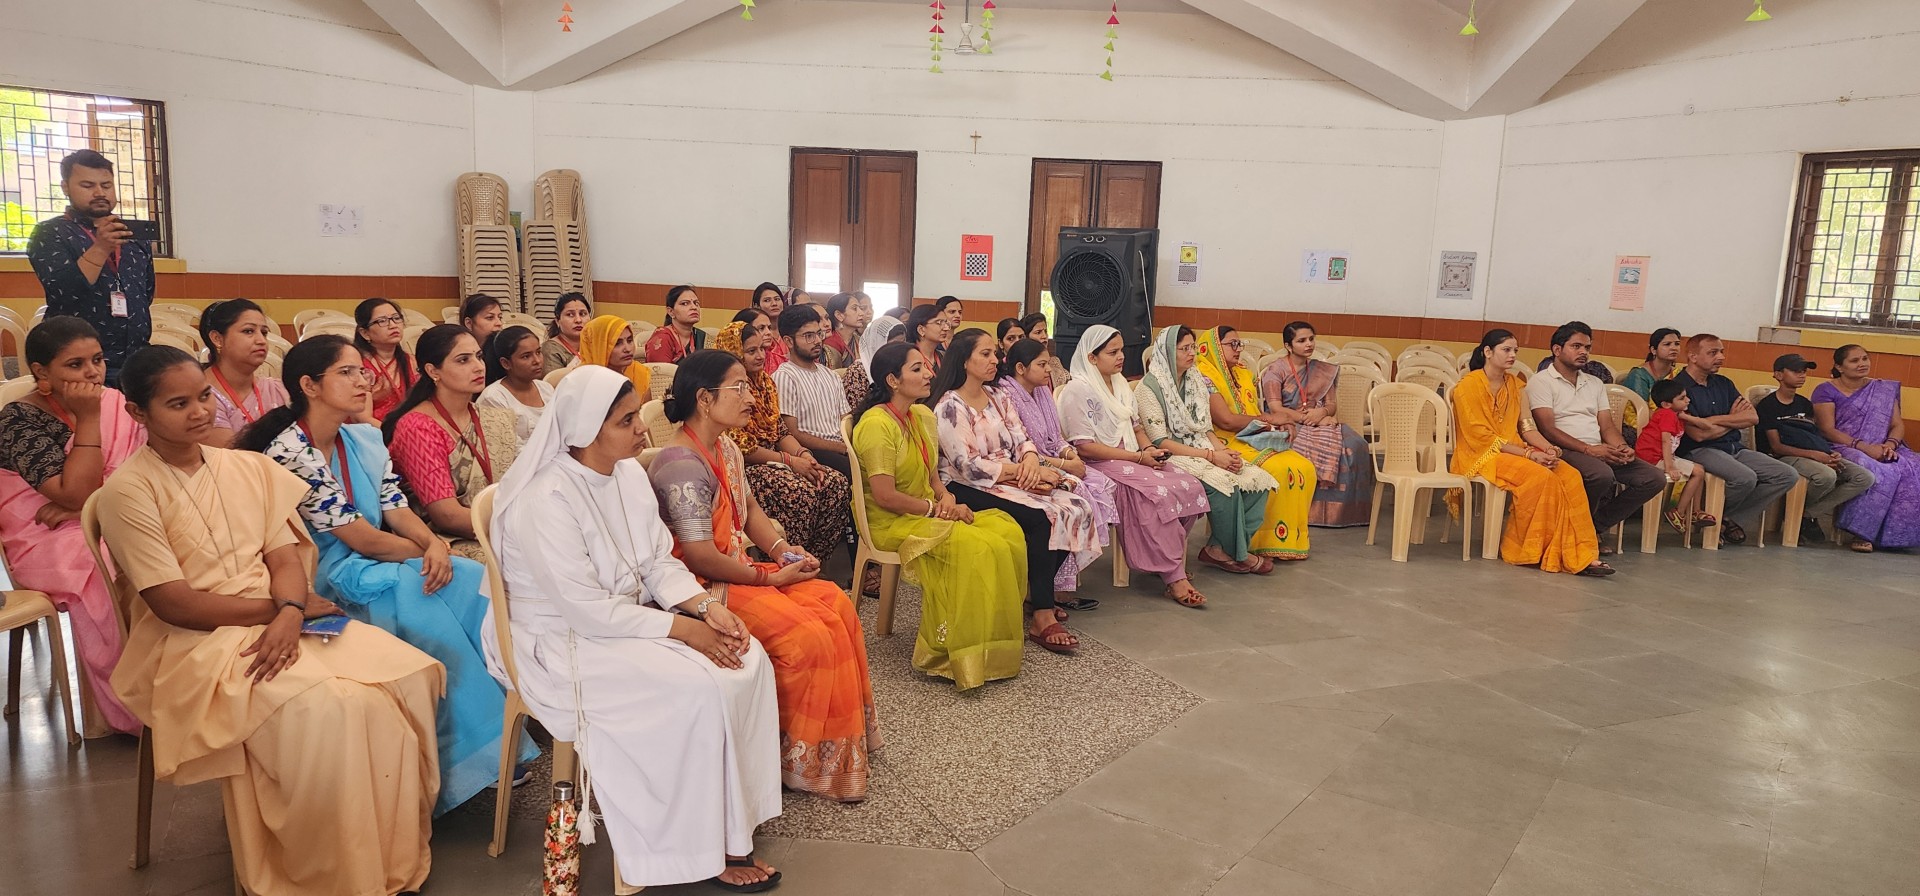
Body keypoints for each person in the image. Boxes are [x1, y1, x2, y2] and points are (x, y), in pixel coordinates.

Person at [98, 346, 442, 896]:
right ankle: (324, 872)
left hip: (280, 611)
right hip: (195, 642)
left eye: (204, 397)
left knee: (408, 676)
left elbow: (283, 557)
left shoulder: (247, 467)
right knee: (337, 708)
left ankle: (386, 856)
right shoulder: (127, 492)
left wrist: (288, 609)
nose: (199, 412)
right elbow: (174, 604)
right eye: (178, 404)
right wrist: (283, 612)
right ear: (138, 412)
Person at [487, 365, 785, 890]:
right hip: (562, 641)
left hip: (627, 619)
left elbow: (656, 561)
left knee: (747, 659)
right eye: (626, 421)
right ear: (587, 431)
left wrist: (703, 608)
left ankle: (731, 824)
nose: (643, 428)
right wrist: (683, 631)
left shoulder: (626, 474)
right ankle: (688, 849)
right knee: (696, 689)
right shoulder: (545, 499)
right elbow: (584, 609)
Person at [235, 335, 537, 815]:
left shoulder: (363, 439)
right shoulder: (289, 450)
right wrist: (425, 552)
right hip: (323, 573)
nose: (363, 381)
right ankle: (458, 757)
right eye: (346, 373)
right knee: (421, 597)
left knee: (467, 578)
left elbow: (395, 509)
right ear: (309, 386)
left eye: (362, 370)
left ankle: (501, 733)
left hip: (376, 557)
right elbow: (360, 538)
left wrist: (433, 544)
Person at [650, 352, 879, 802]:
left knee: (834, 603)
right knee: (807, 634)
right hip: (700, 589)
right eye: (738, 387)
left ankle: (833, 748)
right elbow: (698, 555)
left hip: (739, 570)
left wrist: (782, 552)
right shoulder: (681, 465)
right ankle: (795, 757)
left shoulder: (726, 448)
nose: (751, 397)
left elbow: (749, 508)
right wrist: (767, 578)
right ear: (704, 398)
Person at [852, 343, 1028, 687]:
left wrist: (947, 499)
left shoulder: (920, 415)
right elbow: (885, 496)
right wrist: (936, 509)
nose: (929, 374)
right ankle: (949, 651)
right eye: (916, 369)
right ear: (892, 380)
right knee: (975, 546)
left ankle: (987, 648)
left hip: (925, 509)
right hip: (889, 520)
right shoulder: (876, 425)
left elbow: (934, 479)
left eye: (925, 366)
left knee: (1005, 533)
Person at [0, 316, 143, 734]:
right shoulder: (18, 420)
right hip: (43, 538)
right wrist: (89, 417)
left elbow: (141, 472)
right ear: (41, 373)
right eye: (75, 365)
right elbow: (76, 493)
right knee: (105, 560)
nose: (92, 373)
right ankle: (130, 704)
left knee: (162, 543)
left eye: (97, 360)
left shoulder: (116, 402)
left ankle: (176, 681)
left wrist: (89, 507)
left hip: (106, 516)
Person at [933, 329, 1102, 653]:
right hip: (967, 485)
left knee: (1077, 505)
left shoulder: (998, 396)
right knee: (1042, 517)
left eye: (994, 354)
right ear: (964, 360)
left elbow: (1022, 438)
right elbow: (967, 466)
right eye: (985, 354)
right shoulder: (950, 405)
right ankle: (1041, 614)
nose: (995, 360)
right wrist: (1021, 471)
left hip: (1010, 475)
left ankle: (1036, 590)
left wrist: (1030, 460)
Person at [1053, 327, 1210, 607]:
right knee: (1156, 495)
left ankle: (1167, 558)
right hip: (1100, 463)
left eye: (1121, 350)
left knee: (1188, 484)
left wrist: (1149, 450)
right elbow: (1085, 447)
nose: (1121, 357)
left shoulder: (1121, 385)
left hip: (1133, 457)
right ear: (1091, 357)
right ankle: (1174, 577)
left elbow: (1136, 428)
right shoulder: (1078, 390)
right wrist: (1137, 458)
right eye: (1112, 352)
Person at [1450, 329, 1610, 576]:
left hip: (1514, 450)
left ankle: (1581, 552)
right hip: (1481, 455)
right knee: (1542, 477)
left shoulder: (1517, 386)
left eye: (1515, 350)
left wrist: (1547, 448)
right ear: (1487, 352)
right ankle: (1529, 550)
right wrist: (1528, 455)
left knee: (1570, 475)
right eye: (1506, 350)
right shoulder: (1467, 386)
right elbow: (1481, 437)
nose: (1512, 355)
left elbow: (1527, 427)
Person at [1135, 326, 1278, 574]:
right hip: (1172, 454)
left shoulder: (1195, 379)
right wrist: (1212, 457)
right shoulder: (1148, 387)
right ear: (1168, 351)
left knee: (1258, 482)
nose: (1192, 353)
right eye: (1184, 348)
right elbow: (1160, 442)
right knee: (1224, 487)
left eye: (1193, 347)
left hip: (1202, 447)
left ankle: (1218, 549)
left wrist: (1224, 452)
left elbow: (1206, 428)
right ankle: (1239, 554)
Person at [713, 322, 852, 562]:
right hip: (746, 467)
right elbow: (743, 449)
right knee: (800, 493)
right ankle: (786, 561)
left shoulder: (766, 384)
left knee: (835, 483)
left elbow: (781, 432)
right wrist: (790, 461)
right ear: (732, 353)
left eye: (762, 349)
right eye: (751, 351)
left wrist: (804, 455)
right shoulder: (726, 391)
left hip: (777, 460)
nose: (760, 356)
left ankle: (813, 560)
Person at [384, 325, 522, 561]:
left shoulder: (493, 418)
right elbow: (446, 516)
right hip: (444, 539)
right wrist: (519, 528)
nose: (479, 366)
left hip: (500, 523)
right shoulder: (418, 427)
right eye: (463, 360)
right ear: (433, 371)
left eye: (478, 356)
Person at [996, 337, 1122, 595]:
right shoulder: (1006, 395)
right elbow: (1020, 451)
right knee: (1079, 493)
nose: (1048, 370)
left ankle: (1060, 579)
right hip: (1028, 466)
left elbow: (1056, 437)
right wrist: (1066, 465)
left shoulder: (1042, 391)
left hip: (1053, 459)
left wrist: (1070, 456)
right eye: (1041, 365)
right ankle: (1052, 585)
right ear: (1020, 368)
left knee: (1101, 483)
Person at [1526, 322, 1665, 544]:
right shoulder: (1541, 381)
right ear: (1557, 349)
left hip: (1597, 448)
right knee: (1601, 475)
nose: (1583, 352)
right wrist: (1589, 450)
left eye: (1587, 347)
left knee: (1653, 478)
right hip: (1562, 449)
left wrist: (1621, 447)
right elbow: (1548, 429)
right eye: (1576, 346)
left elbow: (1607, 426)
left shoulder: (1595, 383)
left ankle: (1592, 526)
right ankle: (1580, 533)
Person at [26, 150, 154, 385]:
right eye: (87, 185)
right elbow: (64, 292)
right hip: (79, 364)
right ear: (65, 187)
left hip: (136, 360)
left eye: (106, 185)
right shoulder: (50, 233)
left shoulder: (132, 236)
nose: (99, 193)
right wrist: (101, 247)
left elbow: (146, 293)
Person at [1194, 326, 1317, 563]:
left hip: (1251, 435)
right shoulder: (1204, 376)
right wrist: (1269, 419)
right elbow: (1225, 420)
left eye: (1239, 344)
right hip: (1223, 440)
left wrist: (1276, 423)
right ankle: (1257, 543)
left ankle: (1287, 542)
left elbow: (1253, 411)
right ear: (1214, 347)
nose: (1238, 349)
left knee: (1304, 467)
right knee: (1278, 469)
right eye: (1232, 344)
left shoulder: (1242, 373)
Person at [1676, 334, 1796, 546]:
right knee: (1745, 478)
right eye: (1713, 353)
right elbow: (1698, 435)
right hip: (1699, 450)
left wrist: (1712, 421)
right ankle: (1715, 523)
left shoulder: (1724, 383)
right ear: (1693, 357)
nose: (1721, 357)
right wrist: (1733, 419)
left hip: (1734, 447)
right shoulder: (1678, 388)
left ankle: (1726, 519)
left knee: (1786, 475)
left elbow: (1752, 418)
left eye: (1722, 352)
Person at [1259, 320, 1374, 528]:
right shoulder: (1275, 370)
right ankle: (1307, 513)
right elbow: (1275, 408)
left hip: (1318, 420)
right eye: (1302, 340)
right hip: (1286, 422)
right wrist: (1306, 418)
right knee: (1306, 445)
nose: (1309, 344)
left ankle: (1346, 514)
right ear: (1288, 345)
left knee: (1355, 445)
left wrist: (1321, 413)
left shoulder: (1323, 371)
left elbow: (1331, 405)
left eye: (1311, 339)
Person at [1757, 353, 1874, 547]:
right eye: (1796, 371)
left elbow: (1813, 435)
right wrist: (1815, 455)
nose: (1802, 375)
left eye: (1804, 371)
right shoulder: (1768, 406)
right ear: (1778, 375)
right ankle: (1798, 516)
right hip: (1783, 457)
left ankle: (1805, 514)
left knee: (1864, 478)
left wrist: (1829, 454)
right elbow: (1776, 447)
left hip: (1816, 455)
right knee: (1826, 476)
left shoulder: (1804, 403)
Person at [1813, 344, 1918, 551]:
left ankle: (1897, 535)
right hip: (1842, 445)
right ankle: (1861, 533)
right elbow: (1827, 429)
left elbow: (1897, 425)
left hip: (1882, 445)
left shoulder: (1883, 390)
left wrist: (1889, 445)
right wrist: (1864, 447)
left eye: (1864, 359)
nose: (1862, 364)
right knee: (1872, 468)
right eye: (1854, 360)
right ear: (1839, 367)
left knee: (1913, 466)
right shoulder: (1825, 390)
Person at [771, 305, 855, 480]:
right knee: (851, 469)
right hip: (810, 451)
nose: (817, 341)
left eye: (818, 334)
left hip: (841, 448)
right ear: (789, 341)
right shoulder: (785, 377)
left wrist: (850, 445)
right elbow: (791, 433)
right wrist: (840, 448)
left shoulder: (831, 375)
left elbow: (846, 421)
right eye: (809, 336)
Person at [199, 298, 289, 448]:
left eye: (264, 333)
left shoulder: (278, 390)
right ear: (217, 339)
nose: (261, 340)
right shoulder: (201, 397)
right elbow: (229, 457)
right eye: (248, 331)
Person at [1635, 379, 1715, 535]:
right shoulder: (1667, 415)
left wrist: (1686, 417)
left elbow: (1707, 426)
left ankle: (1696, 511)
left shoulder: (1675, 414)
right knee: (1698, 472)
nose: (1688, 400)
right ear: (1666, 404)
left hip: (1662, 456)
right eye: (1682, 398)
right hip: (1652, 458)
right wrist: (1669, 467)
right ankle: (1679, 512)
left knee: (1699, 469)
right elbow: (1665, 441)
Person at [479, 325, 556, 441]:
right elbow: (508, 446)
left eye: (538, 352)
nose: (537, 361)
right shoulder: (494, 398)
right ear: (506, 363)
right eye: (526, 356)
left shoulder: (546, 389)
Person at [354, 298, 416, 422]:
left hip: (406, 428)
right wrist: (394, 432)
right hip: (372, 431)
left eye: (396, 318)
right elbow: (362, 418)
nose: (393, 325)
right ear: (365, 333)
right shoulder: (358, 365)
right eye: (382, 321)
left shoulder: (412, 361)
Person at [578, 315, 652, 406]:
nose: (628, 349)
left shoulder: (639, 373)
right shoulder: (581, 381)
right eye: (617, 343)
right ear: (598, 347)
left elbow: (645, 413)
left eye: (629, 340)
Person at [1619, 327, 1682, 431]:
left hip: (1670, 423)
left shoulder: (1678, 374)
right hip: (1640, 425)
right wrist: (1667, 423)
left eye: (1677, 344)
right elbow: (1642, 409)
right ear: (1653, 350)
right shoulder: (1639, 374)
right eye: (1667, 344)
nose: (1674, 348)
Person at [847, 315, 903, 410]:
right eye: (895, 344)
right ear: (878, 343)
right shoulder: (858, 370)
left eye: (903, 343)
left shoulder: (901, 366)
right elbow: (857, 408)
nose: (900, 349)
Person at [644, 284, 707, 362]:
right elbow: (661, 370)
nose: (694, 307)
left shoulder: (701, 337)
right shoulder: (662, 338)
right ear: (671, 311)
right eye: (685, 303)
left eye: (696, 303)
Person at [540, 292, 592, 373]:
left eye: (583, 314)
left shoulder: (595, 344)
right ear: (557, 321)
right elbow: (554, 380)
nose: (578, 320)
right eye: (570, 315)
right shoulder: (550, 349)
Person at [1021, 312, 1071, 391]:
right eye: (1038, 332)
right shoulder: (1023, 366)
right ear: (1026, 337)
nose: (1044, 336)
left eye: (1046, 331)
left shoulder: (1054, 362)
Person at [823, 291, 869, 370]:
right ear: (839, 315)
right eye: (855, 308)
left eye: (860, 308)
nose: (861, 313)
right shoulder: (830, 343)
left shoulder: (859, 340)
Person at [738, 305, 789, 375]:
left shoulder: (781, 362)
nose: (768, 333)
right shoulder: (732, 367)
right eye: (761, 328)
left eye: (769, 328)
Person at [904, 305, 951, 376]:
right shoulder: (907, 357)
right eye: (939, 322)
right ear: (921, 330)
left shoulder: (944, 357)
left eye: (945, 323)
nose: (946, 328)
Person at [460, 292, 504, 362]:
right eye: (490, 317)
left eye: (500, 317)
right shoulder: (459, 354)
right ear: (469, 323)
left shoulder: (505, 351)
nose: (499, 323)